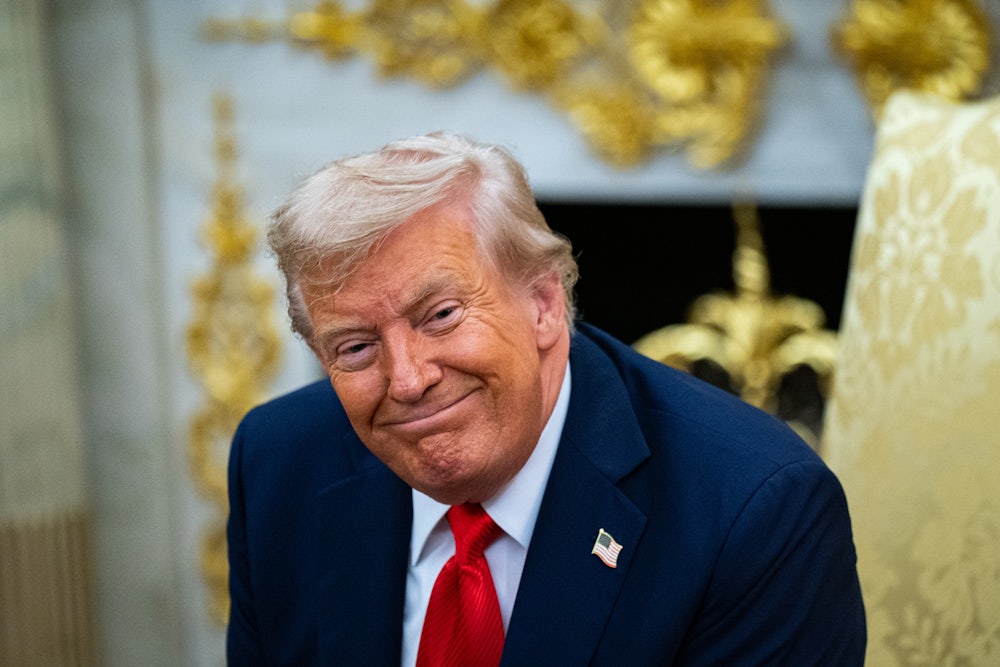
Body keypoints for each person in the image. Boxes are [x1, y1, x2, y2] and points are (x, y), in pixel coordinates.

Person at [226, 132, 866, 666]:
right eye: (357, 347)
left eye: (442, 315)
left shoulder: (754, 511)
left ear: (543, 304)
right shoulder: (278, 464)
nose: (409, 380)